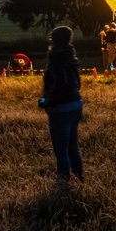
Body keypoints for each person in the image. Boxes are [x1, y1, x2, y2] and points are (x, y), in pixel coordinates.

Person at [39, 25, 83, 183]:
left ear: (54, 40)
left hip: (62, 108)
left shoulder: (56, 58)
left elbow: (60, 83)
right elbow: (77, 83)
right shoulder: (72, 57)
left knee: (61, 149)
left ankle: (63, 182)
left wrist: (48, 102)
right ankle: (79, 178)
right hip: (76, 104)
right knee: (73, 147)